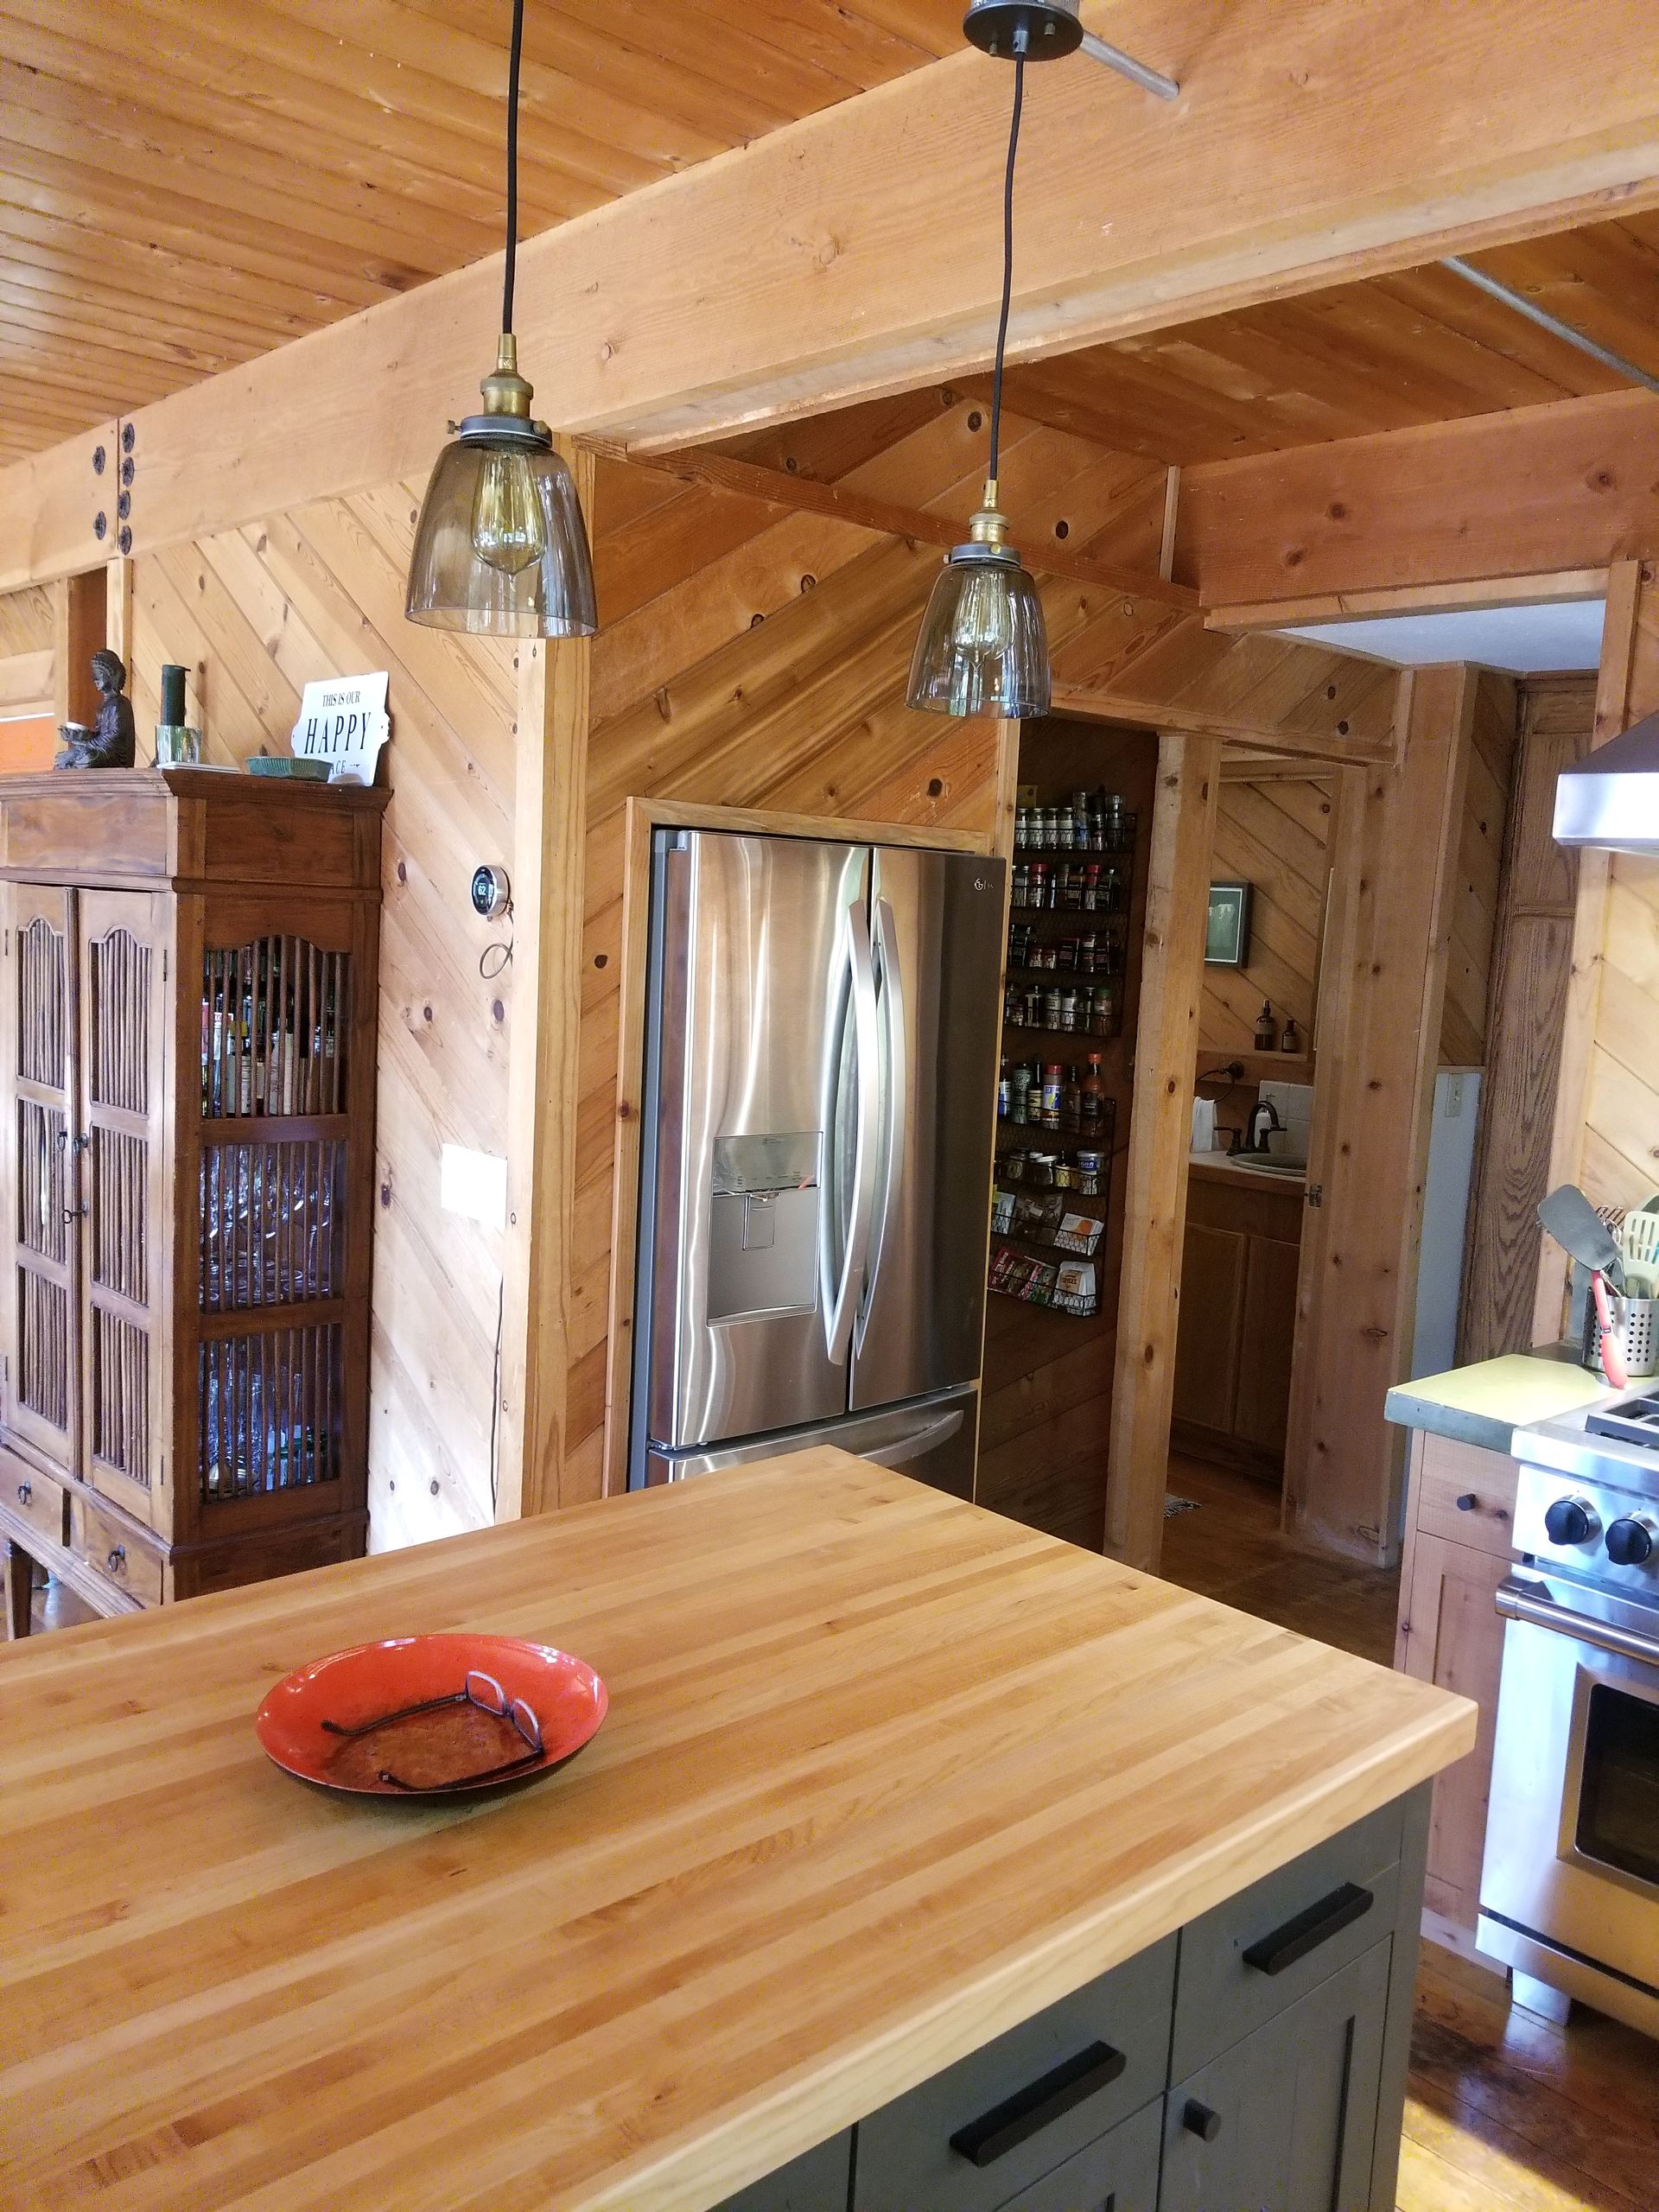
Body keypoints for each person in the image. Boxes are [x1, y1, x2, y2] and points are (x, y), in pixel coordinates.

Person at [54, 649, 137, 769]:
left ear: (112, 676)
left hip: (115, 756)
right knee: (64, 757)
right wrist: (79, 737)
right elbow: (101, 735)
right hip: (101, 749)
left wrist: (87, 742)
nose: (95, 680)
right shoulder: (104, 705)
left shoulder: (120, 704)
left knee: (88, 758)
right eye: (94, 675)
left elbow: (115, 738)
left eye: (99, 674)